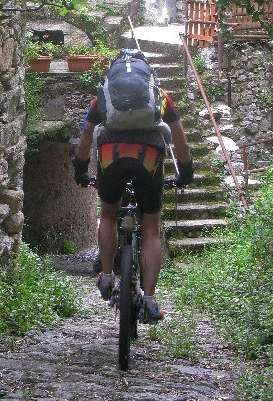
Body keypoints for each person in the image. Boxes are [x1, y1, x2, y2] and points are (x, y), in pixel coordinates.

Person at [71, 50, 194, 322]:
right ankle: (149, 299)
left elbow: (85, 136)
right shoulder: (160, 95)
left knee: (108, 214)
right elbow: (180, 140)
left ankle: (106, 275)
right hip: (149, 156)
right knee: (150, 227)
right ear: (147, 74)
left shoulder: (101, 97)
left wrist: (80, 170)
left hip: (109, 154)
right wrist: (185, 172)